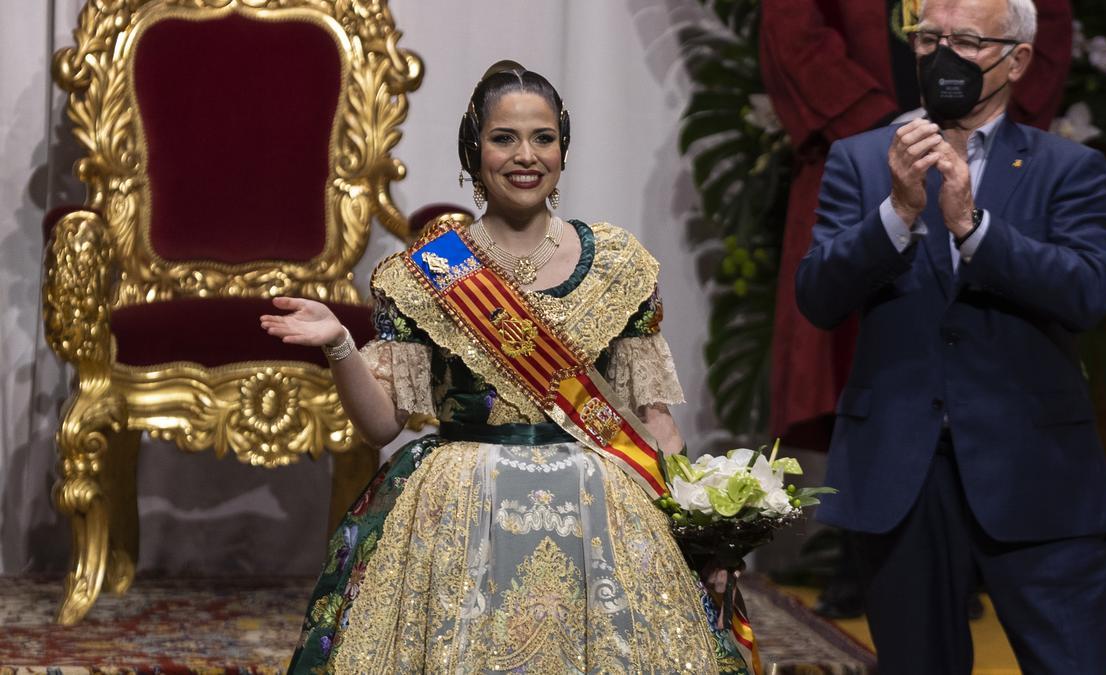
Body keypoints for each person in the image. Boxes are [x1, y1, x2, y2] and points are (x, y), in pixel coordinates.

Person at [262, 62, 750, 673]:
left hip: (600, 508)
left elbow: (657, 429)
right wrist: (338, 344)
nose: (526, 156)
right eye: (504, 138)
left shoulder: (620, 266)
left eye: (543, 138)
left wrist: (700, 534)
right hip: (461, 511)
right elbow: (381, 426)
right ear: (474, 150)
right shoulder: (425, 272)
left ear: (563, 150)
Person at [793, 0, 1106, 671]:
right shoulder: (861, 160)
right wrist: (897, 213)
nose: (943, 55)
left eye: (968, 40)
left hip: (1036, 471)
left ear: (1017, 59)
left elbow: (1087, 294)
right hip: (899, 473)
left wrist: (976, 229)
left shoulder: (1067, 167)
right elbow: (818, 295)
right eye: (929, 38)